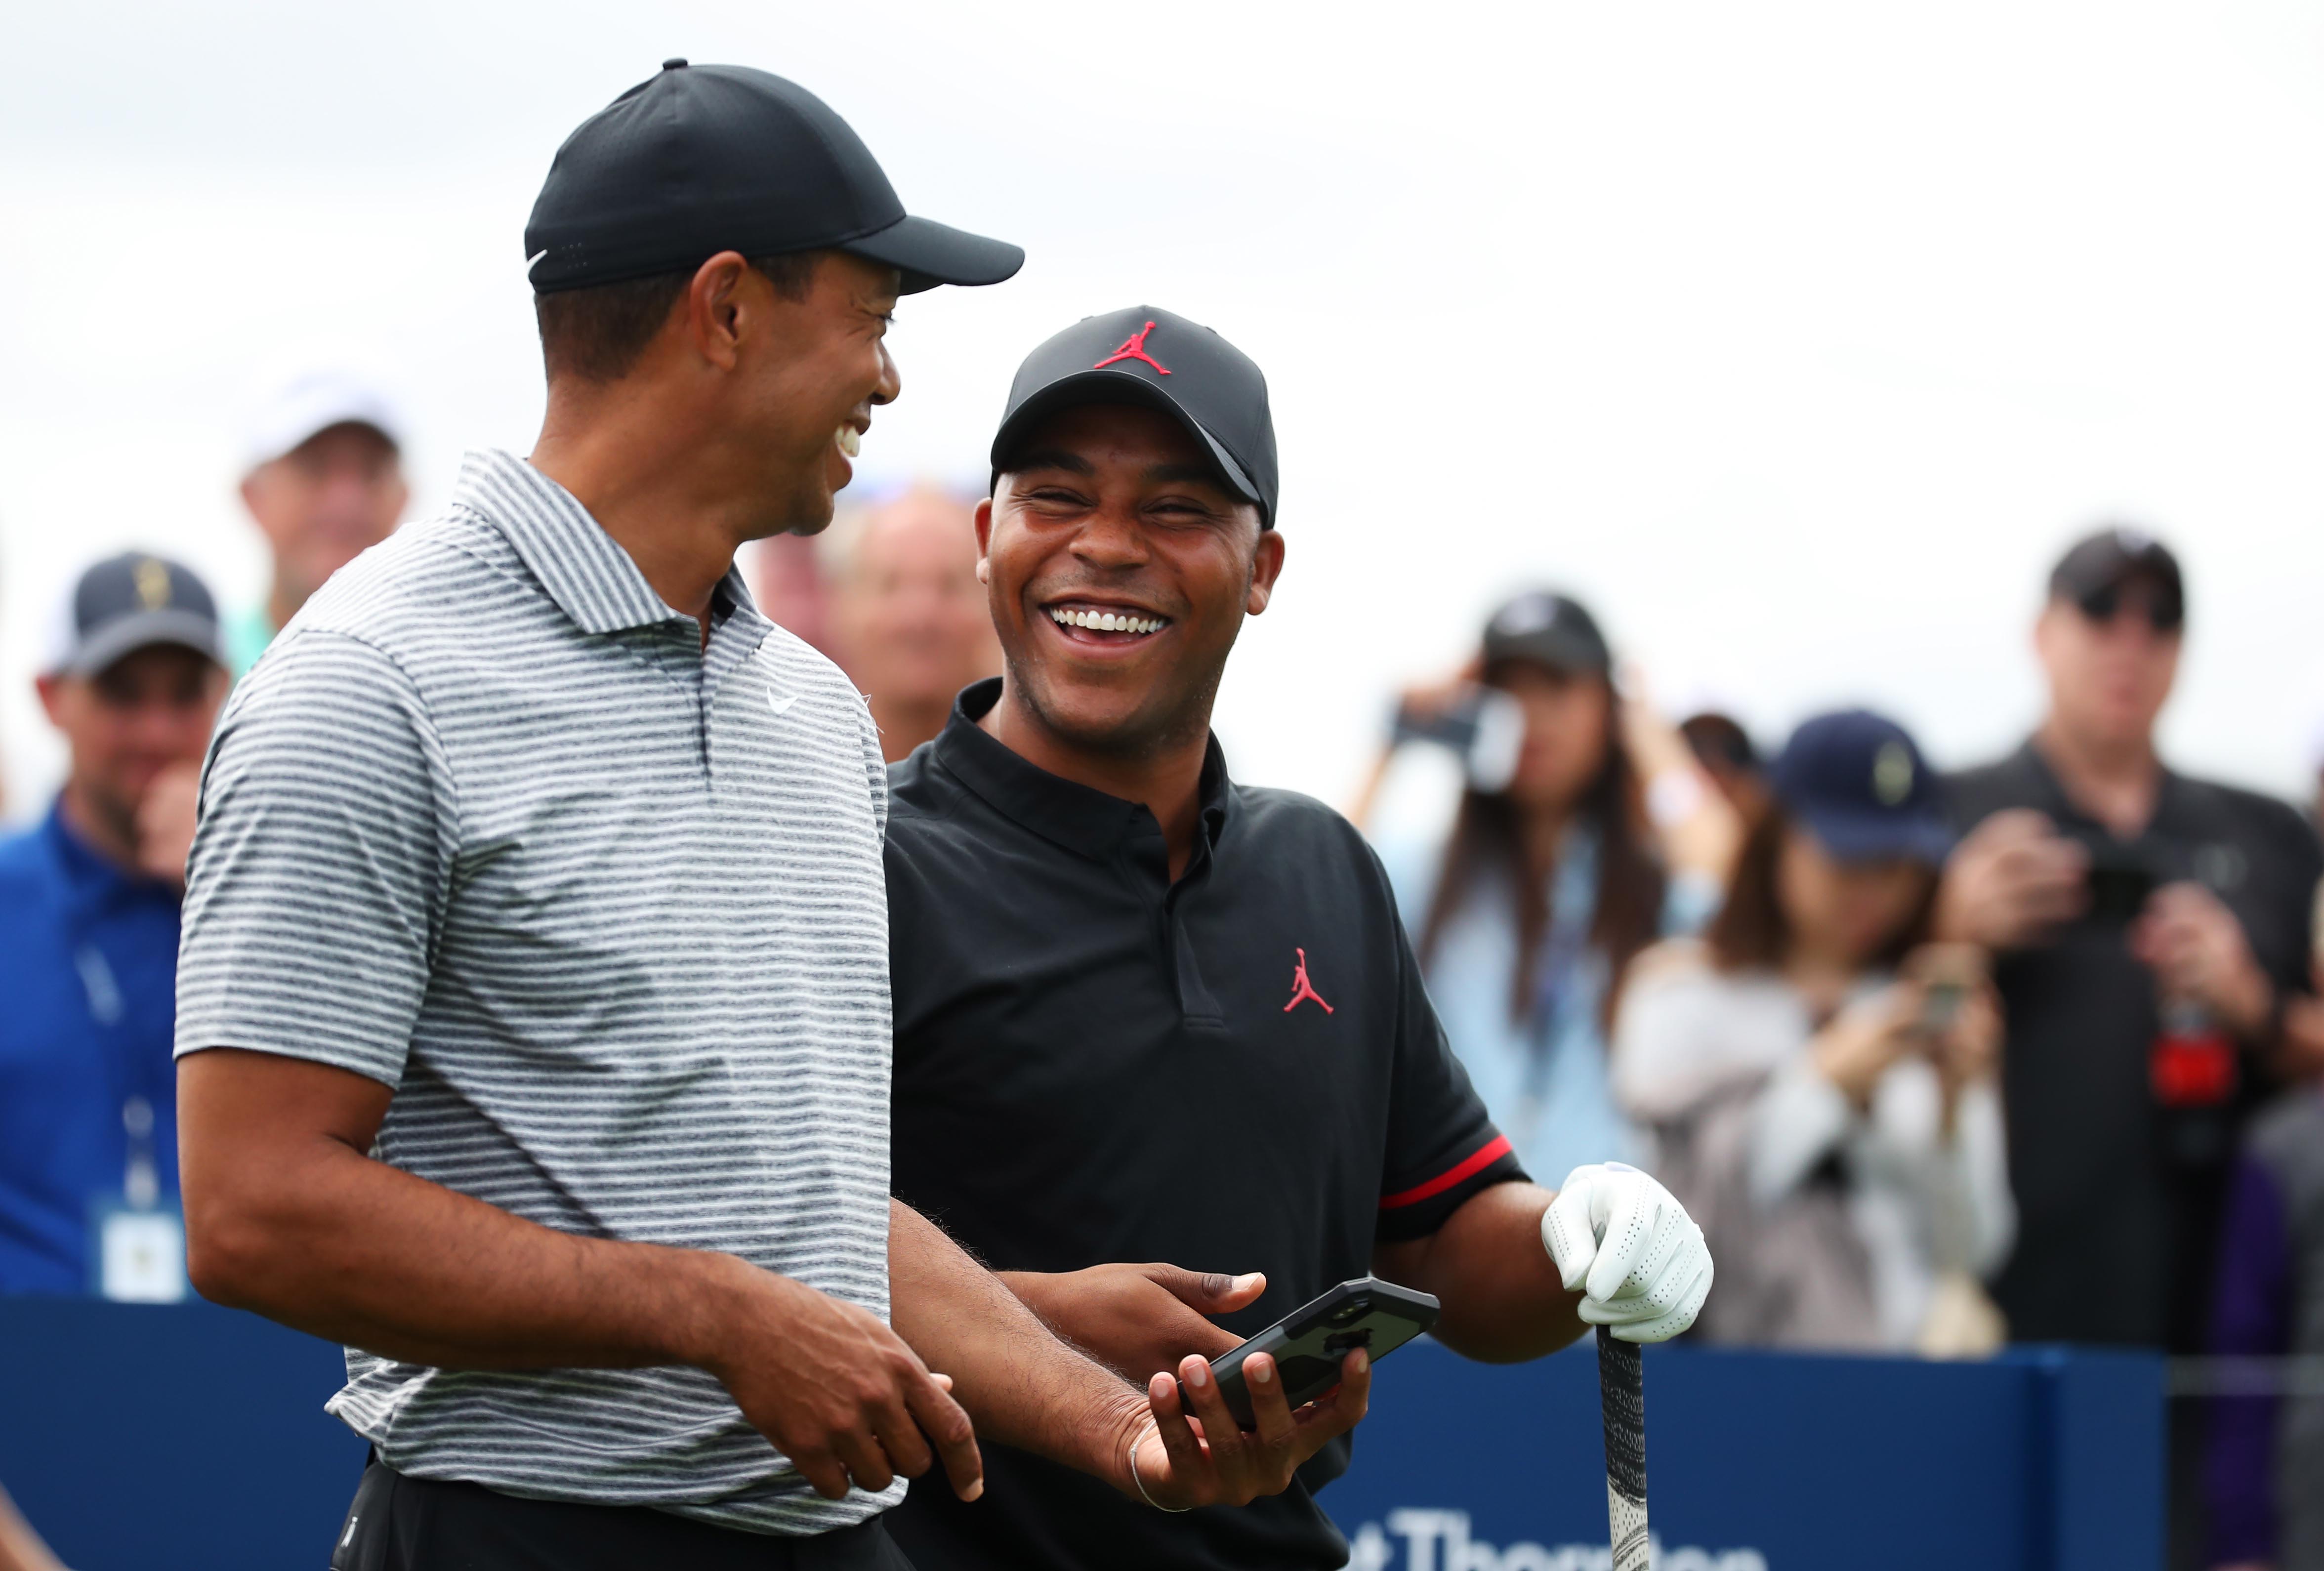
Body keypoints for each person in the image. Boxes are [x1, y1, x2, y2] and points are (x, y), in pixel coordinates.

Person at [174, 66, 1332, 1571]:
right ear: (725, 312)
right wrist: (712, 1315)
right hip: (523, 1538)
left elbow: (816, 1214)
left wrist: (1118, 1430)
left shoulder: (812, 709)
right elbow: (254, 1208)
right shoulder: (371, 681)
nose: (890, 379)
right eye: (872, 316)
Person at [881, 305, 1713, 1571]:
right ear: (991, 537)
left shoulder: (1320, 867)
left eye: (1173, 510)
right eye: (1058, 495)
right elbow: (756, 1252)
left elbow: (1437, 1231)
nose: (1105, 547)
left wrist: (1572, 1238)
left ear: (1262, 568)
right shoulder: (857, 858)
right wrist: (1045, 1328)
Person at [1937, 527, 2323, 1353]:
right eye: (2099, 610)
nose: (2129, 642)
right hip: (1998, 1306)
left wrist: (2250, 1008)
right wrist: (1946, 936)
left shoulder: (2268, 834)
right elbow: (1830, 1011)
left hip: (2220, 1324)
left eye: (2159, 619)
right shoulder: (1952, 816)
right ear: (2040, 634)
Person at [1613, 710, 2014, 1353]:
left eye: (1900, 865)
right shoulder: (1679, 996)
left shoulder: (1920, 1005)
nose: (1876, 890)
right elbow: (1664, 1226)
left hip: (1900, 1384)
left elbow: (1972, 1250)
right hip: (1725, 1380)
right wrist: (1823, 1083)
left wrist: (1953, 1109)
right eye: (1849, 857)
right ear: (1777, 834)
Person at [1365, 593, 1738, 1186]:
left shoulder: (1643, 887)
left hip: (1605, 1256)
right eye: (1506, 689)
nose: (1531, 713)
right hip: (1452, 1244)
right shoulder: (1433, 878)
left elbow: (1730, 878)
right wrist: (1397, 738)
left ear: (1608, 707)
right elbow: (1315, 912)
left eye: (1558, 686)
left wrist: (1651, 738)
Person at [0, 553, 227, 1298]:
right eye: (123, 696)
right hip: (30, 1373)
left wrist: (227, 882)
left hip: (242, 1368)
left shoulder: (266, 903)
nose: (157, 732)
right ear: (50, 696)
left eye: (184, 695)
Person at [226, 369, 410, 674]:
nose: (345, 503)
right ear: (253, 497)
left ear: (403, 498)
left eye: (370, 471)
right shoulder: (185, 685)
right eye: (315, 469)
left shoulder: (455, 674)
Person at [823, 483, 1000, 761]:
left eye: (949, 585)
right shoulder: (798, 774)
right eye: (890, 585)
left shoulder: (1045, 777)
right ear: (842, 608)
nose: (919, 617)